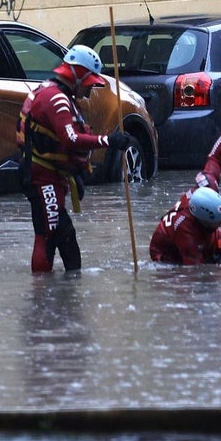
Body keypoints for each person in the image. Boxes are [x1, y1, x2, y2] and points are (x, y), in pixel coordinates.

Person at [17, 45, 132, 273]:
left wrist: (75, 173)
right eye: (89, 84)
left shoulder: (60, 95)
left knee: (58, 234)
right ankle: (44, 290)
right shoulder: (55, 99)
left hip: (51, 175)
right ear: (78, 76)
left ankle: (62, 288)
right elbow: (70, 139)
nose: (89, 91)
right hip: (41, 177)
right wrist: (109, 140)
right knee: (52, 233)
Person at [149, 111, 221, 265]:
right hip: (172, 254)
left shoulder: (208, 184)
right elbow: (196, 272)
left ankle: (220, 260)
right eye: (218, 221)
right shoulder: (185, 229)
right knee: (201, 270)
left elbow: (215, 156)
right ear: (203, 221)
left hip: (205, 239)